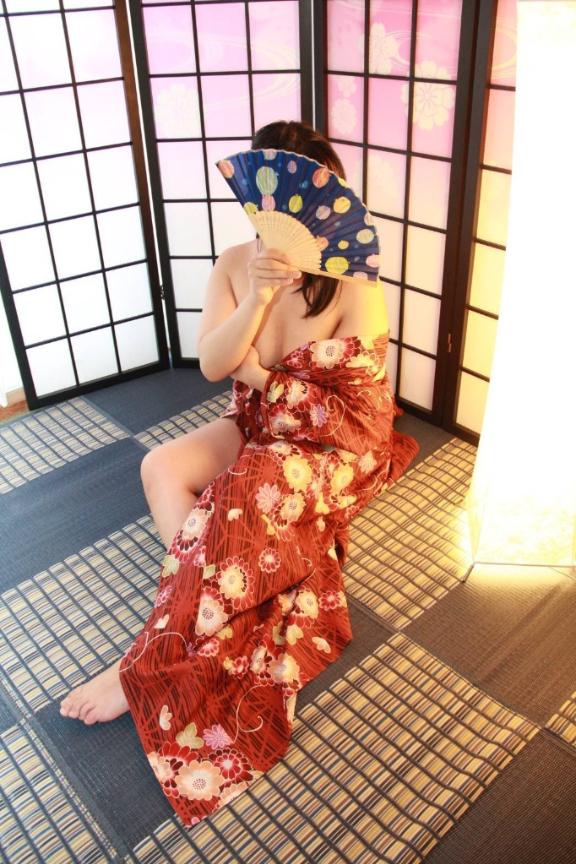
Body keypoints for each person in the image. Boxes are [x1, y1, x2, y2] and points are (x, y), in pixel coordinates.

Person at [59, 120, 419, 826]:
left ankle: (145, 660)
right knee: (162, 465)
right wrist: (257, 297)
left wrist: (262, 376)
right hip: (256, 424)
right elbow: (213, 364)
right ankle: (213, 587)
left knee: (244, 490)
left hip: (324, 449)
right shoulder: (233, 264)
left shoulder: (354, 285)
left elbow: (359, 417)